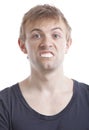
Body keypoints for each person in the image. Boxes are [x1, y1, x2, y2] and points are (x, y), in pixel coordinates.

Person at [0, 4, 89, 130]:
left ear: (68, 44)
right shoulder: (4, 103)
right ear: (22, 45)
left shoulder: (87, 98)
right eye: (36, 35)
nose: (47, 43)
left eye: (55, 35)